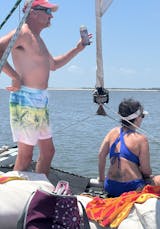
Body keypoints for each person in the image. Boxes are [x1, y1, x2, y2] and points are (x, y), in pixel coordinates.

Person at [0, 0, 92, 176]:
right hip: (26, 99)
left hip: (40, 100)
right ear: (33, 13)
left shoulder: (37, 38)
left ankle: (40, 189)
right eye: (48, 12)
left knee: (48, 152)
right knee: (25, 155)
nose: (52, 16)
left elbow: (54, 65)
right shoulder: (23, 33)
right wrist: (14, 76)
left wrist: (77, 49)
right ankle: (12, 193)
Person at [98, 98, 160, 197]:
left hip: (110, 186)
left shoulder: (112, 132)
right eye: (143, 116)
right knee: (157, 179)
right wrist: (147, 174)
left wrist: (102, 179)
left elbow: (101, 156)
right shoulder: (141, 139)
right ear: (137, 118)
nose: (142, 119)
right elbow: (146, 171)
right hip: (132, 188)